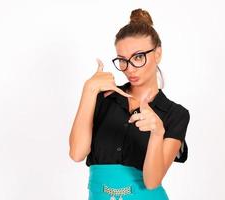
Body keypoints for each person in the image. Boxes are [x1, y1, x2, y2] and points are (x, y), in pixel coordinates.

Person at [69, 8, 190, 200]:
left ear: (157, 54)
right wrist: (89, 90)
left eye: (139, 57)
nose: (130, 68)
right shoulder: (104, 99)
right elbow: (76, 153)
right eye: (123, 60)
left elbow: (152, 182)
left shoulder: (175, 114)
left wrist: (158, 132)